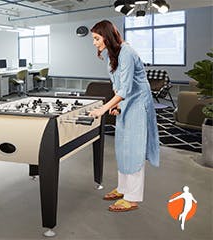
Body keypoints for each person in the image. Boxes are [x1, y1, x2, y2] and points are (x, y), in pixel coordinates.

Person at [89, 20, 160, 212]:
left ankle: (133, 197)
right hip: (126, 102)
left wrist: (103, 109)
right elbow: (117, 85)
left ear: (106, 36)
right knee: (122, 147)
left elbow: (126, 88)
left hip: (138, 103)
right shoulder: (111, 56)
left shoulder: (126, 52)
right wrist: (117, 105)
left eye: (96, 38)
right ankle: (123, 188)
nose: (94, 43)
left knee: (134, 148)